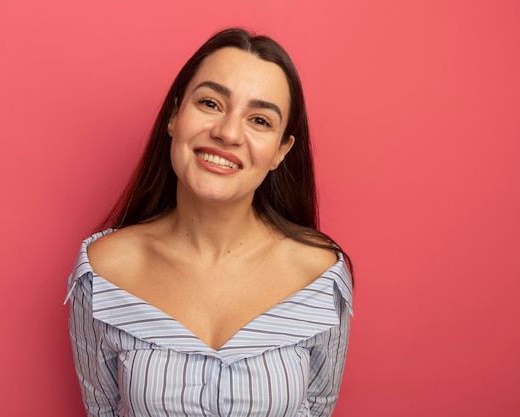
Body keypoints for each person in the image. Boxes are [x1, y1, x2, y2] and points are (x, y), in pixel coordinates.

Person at [66, 27, 353, 417]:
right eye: (211, 103)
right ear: (174, 116)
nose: (228, 132)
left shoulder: (319, 277)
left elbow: (317, 409)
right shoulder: (104, 273)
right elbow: (102, 409)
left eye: (260, 120)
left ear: (281, 152)